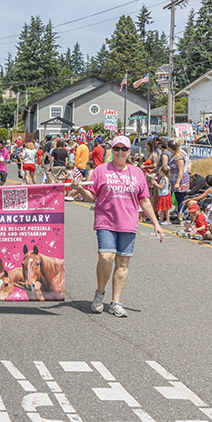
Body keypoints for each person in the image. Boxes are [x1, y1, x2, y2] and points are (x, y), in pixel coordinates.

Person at [71, 136, 163, 318]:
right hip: (106, 220)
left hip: (128, 222)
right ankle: (100, 292)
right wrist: (80, 189)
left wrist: (156, 223)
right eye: (117, 149)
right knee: (106, 257)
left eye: (124, 149)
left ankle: (116, 302)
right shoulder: (101, 170)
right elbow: (92, 197)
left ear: (129, 152)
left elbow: (144, 199)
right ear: (112, 150)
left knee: (122, 263)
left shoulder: (137, 173)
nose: (120, 152)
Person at [167, 140, 190, 222]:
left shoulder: (178, 157)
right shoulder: (173, 155)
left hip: (180, 180)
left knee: (180, 198)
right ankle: (178, 213)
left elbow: (181, 170)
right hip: (174, 179)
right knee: (177, 197)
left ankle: (180, 216)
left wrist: (177, 183)